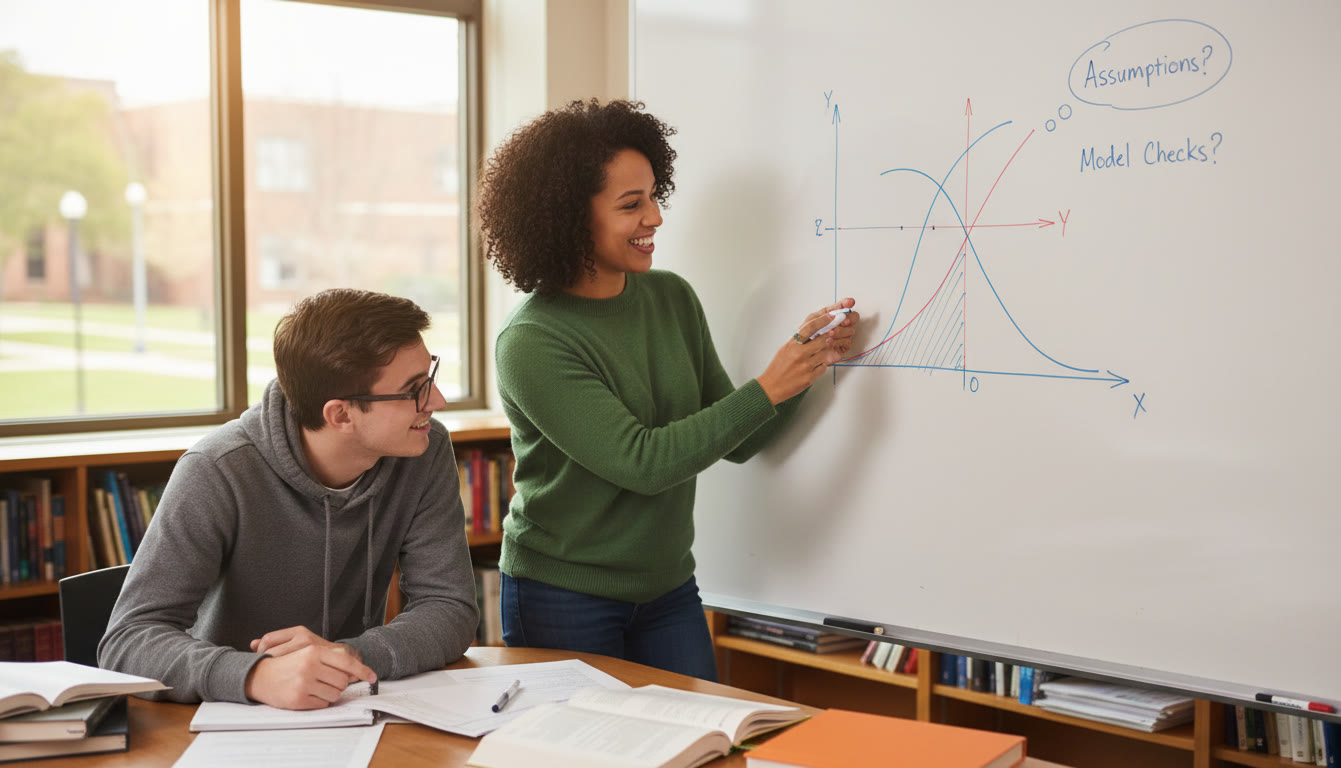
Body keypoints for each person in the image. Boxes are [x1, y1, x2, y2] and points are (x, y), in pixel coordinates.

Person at [475, 98, 860, 681]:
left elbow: (738, 440)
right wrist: (768, 384)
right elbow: (644, 462)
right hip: (562, 595)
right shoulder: (530, 341)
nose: (654, 217)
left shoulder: (671, 297)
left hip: (668, 589)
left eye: (655, 195)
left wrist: (805, 364)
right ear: (568, 218)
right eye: (632, 204)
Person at [99, 289, 479, 710]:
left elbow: (450, 607)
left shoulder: (423, 449)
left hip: (346, 706)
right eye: (415, 390)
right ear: (340, 415)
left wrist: (350, 656)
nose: (437, 402)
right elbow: (127, 641)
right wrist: (255, 675)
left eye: (431, 377)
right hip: (232, 716)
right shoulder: (218, 469)